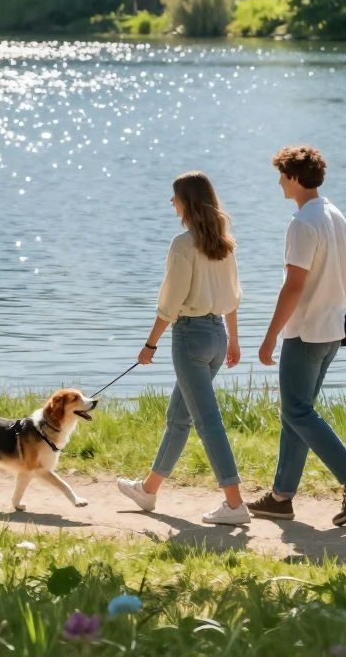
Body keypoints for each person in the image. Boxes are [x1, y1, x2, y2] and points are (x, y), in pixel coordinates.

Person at [248, 145, 346, 526]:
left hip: (306, 332)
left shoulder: (303, 224)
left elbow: (294, 286)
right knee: (297, 412)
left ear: (294, 177)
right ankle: (281, 497)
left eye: (281, 175)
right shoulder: (335, 215)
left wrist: (270, 336)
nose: (278, 182)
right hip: (332, 329)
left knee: (297, 411)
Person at [117, 171, 249, 525]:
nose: (171, 202)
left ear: (186, 203)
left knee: (207, 421)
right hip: (217, 337)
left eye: (174, 197)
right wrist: (234, 340)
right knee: (179, 417)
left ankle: (235, 504)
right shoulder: (224, 243)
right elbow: (233, 297)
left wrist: (150, 344)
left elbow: (170, 304)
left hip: (191, 337)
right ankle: (148, 490)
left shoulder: (182, 245)